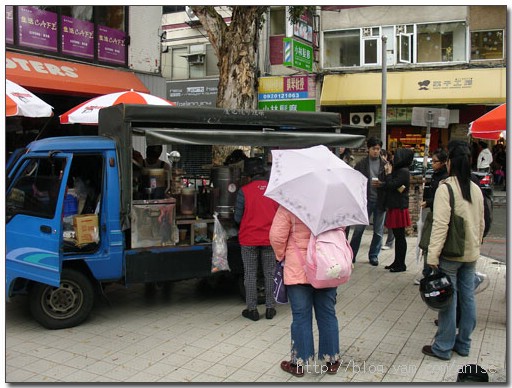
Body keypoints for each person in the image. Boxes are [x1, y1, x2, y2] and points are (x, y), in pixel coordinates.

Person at [422, 140, 485, 361]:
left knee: (449, 299)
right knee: (468, 297)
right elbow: (481, 223)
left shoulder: (446, 188)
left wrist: (432, 255)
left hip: (451, 254)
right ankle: (464, 344)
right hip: (471, 253)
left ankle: (443, 347)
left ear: (450, 163)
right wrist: (477, 246)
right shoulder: (475, 188)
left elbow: (441, 225)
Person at [270, 205, 340, 377]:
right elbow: (340, 232)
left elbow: (276, 237)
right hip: (327, 266)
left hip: (298, 267)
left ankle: (299, 363)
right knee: (328, 313)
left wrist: (282, 256)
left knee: (301, 316)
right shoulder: (333, 205)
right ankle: (331, 360)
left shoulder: (289, 205)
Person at [234, 157, 279, 322]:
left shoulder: (243, 191)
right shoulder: (274, 190)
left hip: (248, 239)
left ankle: (252, 310)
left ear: (248, 174)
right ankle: (270, 308)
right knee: (269, 273)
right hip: (269, 239)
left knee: (250, 274)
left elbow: (238, 218)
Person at [349, 137, 387, 266]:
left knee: (378, 230)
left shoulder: (385, 164)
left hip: (380, 201)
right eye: (374, 149)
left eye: (378, 149)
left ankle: (374, 255)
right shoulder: (361, 164)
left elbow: (390, 182)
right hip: (365, 201)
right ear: (368, 149)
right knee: (359, 230)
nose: (376, 151)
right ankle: (351, 255)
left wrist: (382, 184)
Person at [414, 148, 449, 284]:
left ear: (444, 163)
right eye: (432, 161)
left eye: (435, 162)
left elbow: (441, 198)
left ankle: (429, 274)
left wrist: (428, 202)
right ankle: (428, 273)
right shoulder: (436, 175)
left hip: (439, 215)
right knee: (427, 243)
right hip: (433, 212)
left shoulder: (445, 178)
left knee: (430, 244)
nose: (432, 164)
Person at [382, 147, 414, 272]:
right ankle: (397, 261)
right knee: (397, 235)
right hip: (395, 205)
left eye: (396, 156)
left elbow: (391, 185)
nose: (394, 158)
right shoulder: (400, 170)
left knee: (400, 237)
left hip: (399, 207)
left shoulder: (403, 172)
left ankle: (401, 264)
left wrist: (389, 173)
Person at [381, 149, 394, 251]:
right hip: (381, 198)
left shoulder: (389, 167)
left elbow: (390, 183)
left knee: (389, 222)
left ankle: (389, 242)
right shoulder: (380, 167)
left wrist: (388, 173)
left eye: (382, 155)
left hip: (389, 198)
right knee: (383, 221)